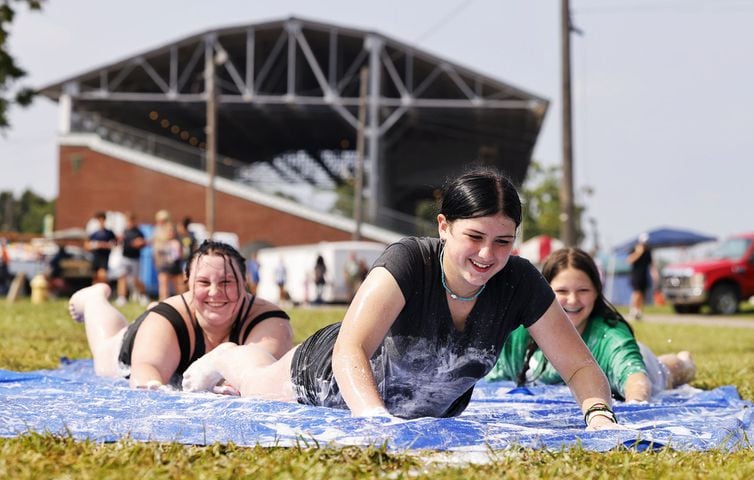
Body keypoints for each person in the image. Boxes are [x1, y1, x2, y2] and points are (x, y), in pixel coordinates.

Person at [182, 167, 620, 429]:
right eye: (475, 236)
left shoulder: (520, 282)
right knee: (255, 384)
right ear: (444, 226)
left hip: (422, 410)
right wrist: (375, 421)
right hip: (329, 379)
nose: (488, 255)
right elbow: (350, 348)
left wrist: (598, 414)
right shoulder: (408, 261)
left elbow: (580, 365)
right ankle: (229, 355)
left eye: (503, 241)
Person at [67, 240, 294, 390]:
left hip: (173, 338)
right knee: (105, 356)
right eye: (204, 282)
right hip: (148, 337)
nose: (215, 292)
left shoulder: (270, 321)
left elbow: (259, 379)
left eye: (227, 282)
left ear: (244, 283)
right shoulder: (169, 318)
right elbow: (145, 376)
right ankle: (93, 299)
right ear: (188, 284)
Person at [486, 247, 696, 402]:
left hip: (642, 364)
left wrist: (635, 405)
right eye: (561, 291)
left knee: (668, 372)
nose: (573, 300)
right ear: (543, 293)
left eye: (583, 291)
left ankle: (684, 361)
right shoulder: (521, 330)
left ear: (597, 292)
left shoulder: (610, 336)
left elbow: (635, 379)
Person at [116, 213, 148, 306]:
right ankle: (122, 297)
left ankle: (143, 295)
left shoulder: (138, 232)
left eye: (131, 221)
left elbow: (143, 243)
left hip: (135, 259)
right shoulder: (124, 231)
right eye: (128, 221)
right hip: (124, 257)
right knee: (122, 277)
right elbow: (118, 243)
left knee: (135, 280)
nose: (129, 223)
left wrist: (139, 243)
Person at [152, 210, 185, 300]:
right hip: (163, 264)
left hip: (175, 264)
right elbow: (155, 250)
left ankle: (182, 305)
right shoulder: (157, 232)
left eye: (163, 220)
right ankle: (163, 307)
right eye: (159, 220)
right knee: (163, 287)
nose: (161, 222)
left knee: (179, 287)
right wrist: (156, 262)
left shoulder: (174, 230)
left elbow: (181, 252)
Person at [627, 233, 657, 321]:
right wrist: (638, 253)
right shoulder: (634, 249)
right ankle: (633, 310)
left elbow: (651, 264)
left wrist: (655, 274)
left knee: (642, 293)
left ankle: (639, 311)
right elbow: (629, 260)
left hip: (645, 275)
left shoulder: (648, 252)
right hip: (636, 274)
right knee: (637, 292)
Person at [85, 211, 117, 284]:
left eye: (102, 220)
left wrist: (107, 245)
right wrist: (97, 245)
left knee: (102, 275)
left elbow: (115, 243)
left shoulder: (109, 233)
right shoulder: (94, 234)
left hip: (104, 257)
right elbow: (87, 246)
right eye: (99, 220)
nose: (101, 222)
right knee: (96, 278)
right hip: (96, 257)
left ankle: (106, 290)